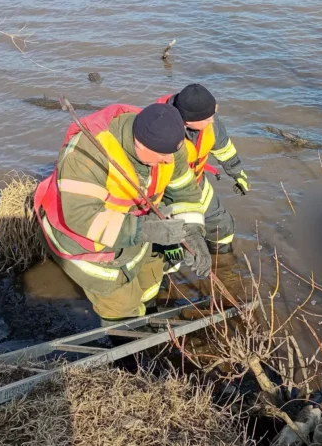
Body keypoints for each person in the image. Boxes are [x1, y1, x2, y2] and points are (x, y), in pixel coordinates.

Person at [33, 102, 211, 326]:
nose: (168, 160)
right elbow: (81, 216)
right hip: (87, 245)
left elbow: (185, 191)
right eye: (163, 155)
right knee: (121, 307)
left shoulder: (169, 146)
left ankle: (149, 316)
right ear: (139, 143)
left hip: (140, 228)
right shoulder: (87, 154)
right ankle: (127, 350)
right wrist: (144, 229)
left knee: (151, 279)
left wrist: (194, 232)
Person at [157, 84, 249, 257]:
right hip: (168, 191)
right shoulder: (161, 131)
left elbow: (224, 149)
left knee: (221, 225)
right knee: (173, 242)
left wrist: (238, 173)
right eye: (207, 119)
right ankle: (169, 277)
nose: (212, 121)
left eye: (213, 115)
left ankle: (222, 265)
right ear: (188, 121)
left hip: (197, 181)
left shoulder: (208, 122)